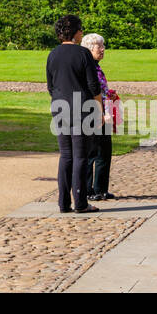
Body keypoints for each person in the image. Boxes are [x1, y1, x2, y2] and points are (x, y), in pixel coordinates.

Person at [45, 15, 103, 214]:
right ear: (76, 32)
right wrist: (99, 111)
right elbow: (93, 86)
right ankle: (80, 202)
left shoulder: (52, 54)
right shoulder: (83, 54)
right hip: (81, 108)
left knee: (66, 155)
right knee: (80, 156)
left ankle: (63, 203)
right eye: (80, 29)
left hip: (60, 106)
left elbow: (50, 86)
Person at [80, 33, 120, 201]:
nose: (103, 49)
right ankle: (89, 189)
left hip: (103, 111)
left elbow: (100, 90)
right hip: (94, 113)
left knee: (104, 151)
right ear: (89, 49)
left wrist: (108, 95)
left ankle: (100, 189)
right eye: (99, 46)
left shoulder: (96, 67)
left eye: (103, 46)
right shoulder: (88, 68)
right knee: (92, 152)